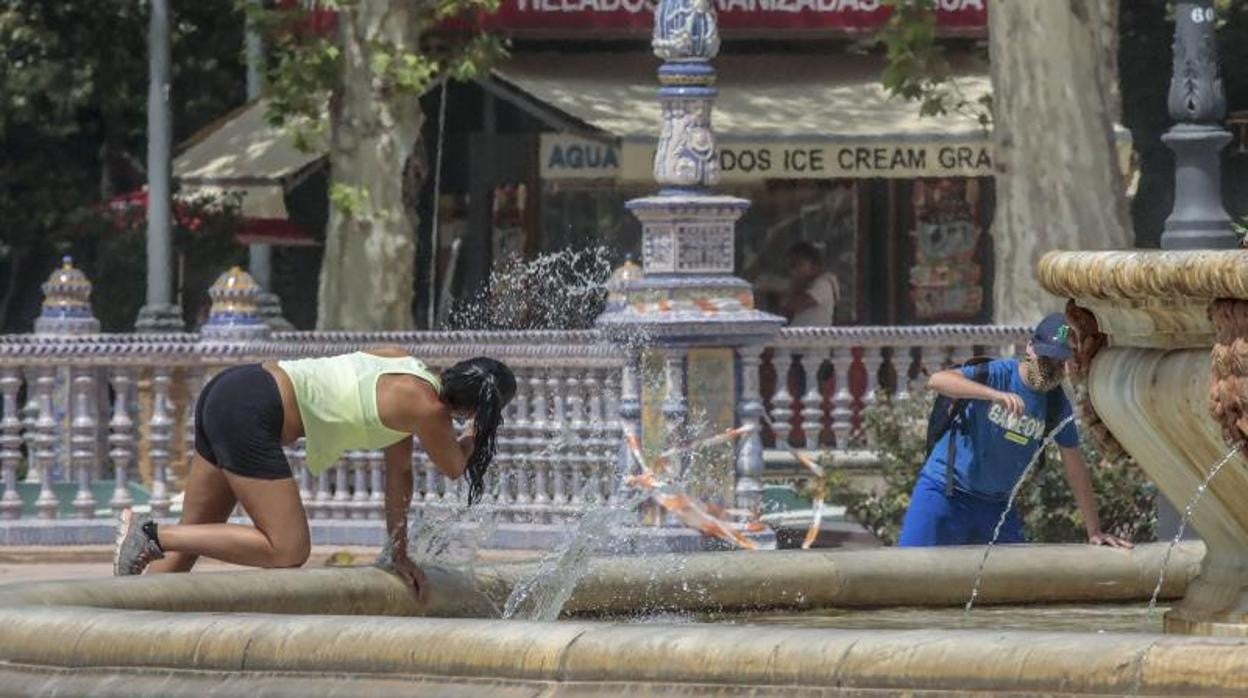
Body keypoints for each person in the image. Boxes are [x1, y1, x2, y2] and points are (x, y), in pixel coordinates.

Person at [113, 350, 517, 595]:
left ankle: (117, 610)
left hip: (235, 388)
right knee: (288, 550)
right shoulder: (429, 410)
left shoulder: (406, 367)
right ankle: (150, 533)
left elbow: (400, 479)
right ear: (476, 407)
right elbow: (454, 466)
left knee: (186, 552)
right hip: (255, 412)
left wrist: (399, 554)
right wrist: (478, 432)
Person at [897, 313, 1132, 549]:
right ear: (1030, 348)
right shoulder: (997, 374)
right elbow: (937, 380)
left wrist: (1094, 531)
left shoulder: (1056, 404)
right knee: (911, 573)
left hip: (997, 506)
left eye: (1060, 362)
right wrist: (993, 395)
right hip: (944, 493)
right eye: (1046, 358)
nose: (1051, 367)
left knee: (1013, 583)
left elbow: (1075, 466)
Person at [782, 241, 840, 327]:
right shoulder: (807, 284)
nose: (793, 270)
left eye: (797, 264)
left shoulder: (823, 284)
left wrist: (796, 284)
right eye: (791, 265)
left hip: (811, 337)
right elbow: (785, 312)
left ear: (814, 265)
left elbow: (795, 305)